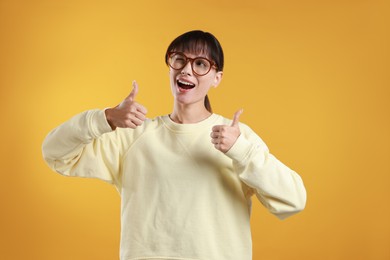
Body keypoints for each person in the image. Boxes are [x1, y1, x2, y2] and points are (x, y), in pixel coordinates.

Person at [42, 30, 306, 260]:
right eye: (179, 59)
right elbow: (54, 153)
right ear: (170, 66)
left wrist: (242, 151)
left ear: (217, 78)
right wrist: (106, 118)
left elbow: (293, 200)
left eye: (200, 64)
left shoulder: (236, 137)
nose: (186, 69)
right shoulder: (132, 136)